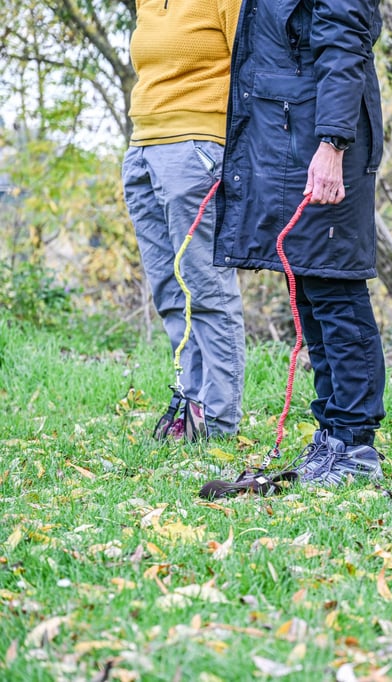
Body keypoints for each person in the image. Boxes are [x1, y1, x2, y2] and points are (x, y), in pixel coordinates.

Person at [213, 0, 386, 483]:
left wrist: (332, 144)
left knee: (336, 289)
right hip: (290, 141)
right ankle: (331, 436)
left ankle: (355, 447)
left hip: (323, 144)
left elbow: (343, 48)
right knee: (311, 287)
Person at [122, 0, 247, 440]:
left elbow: (252, 63)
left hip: (196, 148)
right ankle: (190, 406)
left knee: (205, 287)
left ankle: (220, 422)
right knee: (169, 291)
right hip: (142, 147)